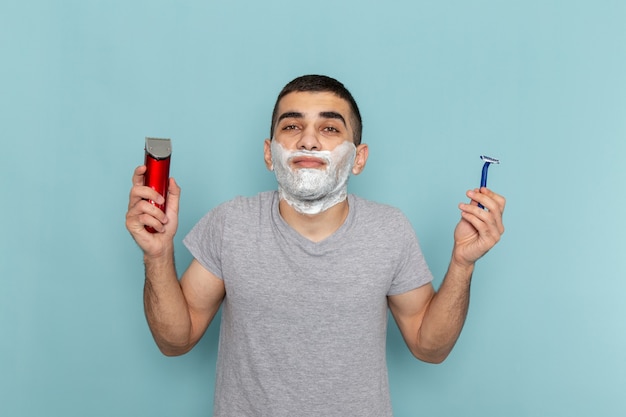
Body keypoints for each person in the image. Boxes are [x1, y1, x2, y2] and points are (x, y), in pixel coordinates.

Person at [125, 74, 506, 417]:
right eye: (292, 126)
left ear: (358, 158)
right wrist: (156, 254)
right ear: (267, 153)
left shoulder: (389, 230)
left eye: (329, 128)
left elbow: (429, 347)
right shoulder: (232, 224)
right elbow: (175, 341)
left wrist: (462, 263)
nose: (308, 139)